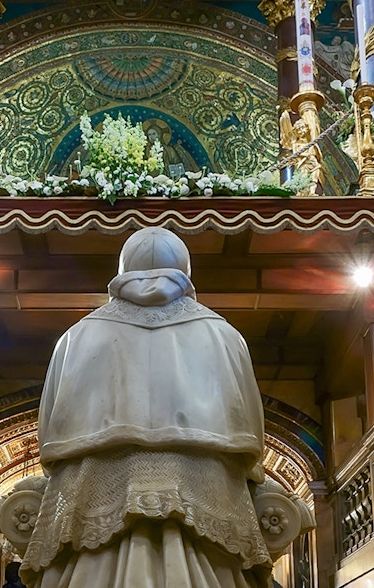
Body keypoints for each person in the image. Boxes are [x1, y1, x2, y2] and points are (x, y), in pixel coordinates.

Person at [20, 227, 272, 588]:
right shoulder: (224, 334)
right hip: (206, 490)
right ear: (185, 267)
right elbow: (250, 429)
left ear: (123, 268)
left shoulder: (76, 335)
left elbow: (49, 433)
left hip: (93, 489)